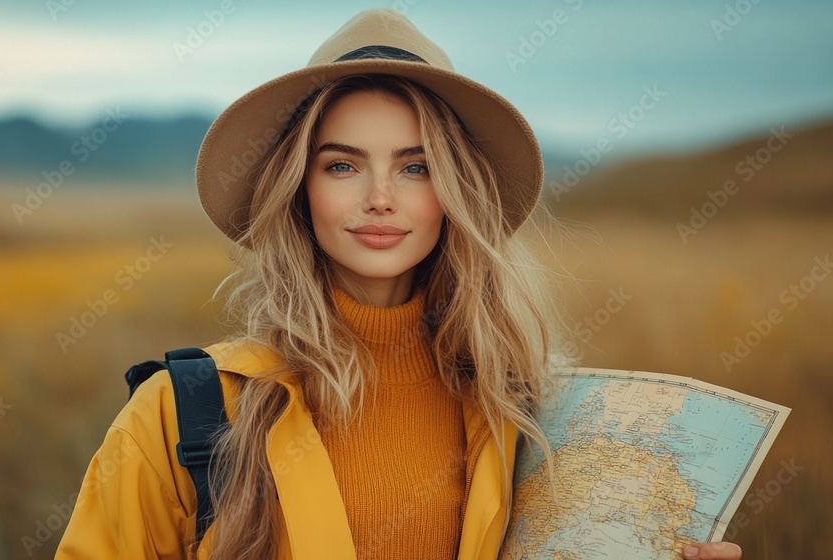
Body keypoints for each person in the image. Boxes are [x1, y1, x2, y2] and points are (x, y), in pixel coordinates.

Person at [56, 9, 742, 560]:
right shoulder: (182, 412)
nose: (380, 198)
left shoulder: (526, 414)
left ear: (455, 192)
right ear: (298, 190)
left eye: (415, 167)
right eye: (342, 166)